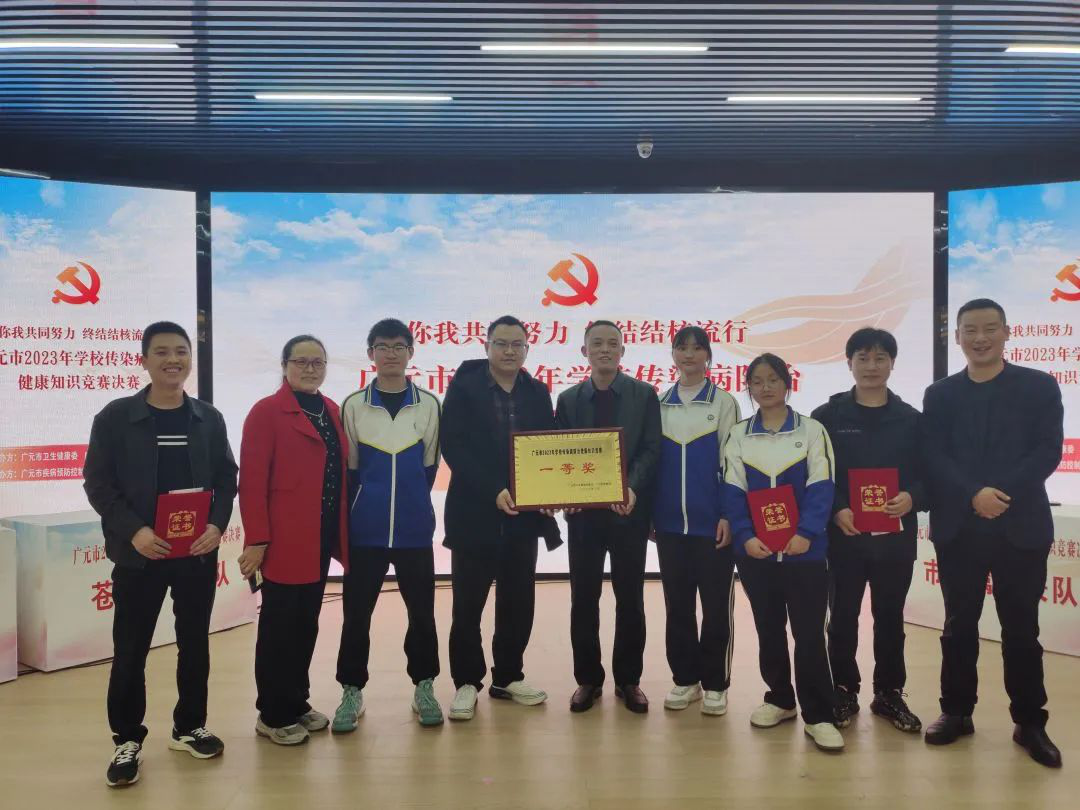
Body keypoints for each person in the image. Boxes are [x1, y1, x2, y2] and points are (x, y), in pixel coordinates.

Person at [83, 321, 238, 788]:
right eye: (162, 352)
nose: (173, 360)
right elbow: (98, 484)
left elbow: (226, 477)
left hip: (195, 553)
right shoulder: (116, 417)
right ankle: (127, 739)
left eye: (181, 352)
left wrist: (216, 525)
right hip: (140, 555)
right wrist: (135, 532)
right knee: (131, 649)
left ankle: (189, 726)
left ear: (191, 358)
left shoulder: (208, 418)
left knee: (195, 643)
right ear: (144, 360)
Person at [921, 299, 1064, 768]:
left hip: (1020, 524)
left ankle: (1030, 722)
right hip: (960, 528)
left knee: (1021, 628)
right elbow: (934, 456)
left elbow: (1047, 451)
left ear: (1006, 332)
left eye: (989, 328)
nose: (979, 338)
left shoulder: (1038, 386)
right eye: (970, 330)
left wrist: (997, 493)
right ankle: (956, 712)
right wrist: (972, 495)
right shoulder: (940, 394)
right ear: (957, 337)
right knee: (958, 625)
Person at [442, 315, 562, 721]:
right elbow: (454, 446)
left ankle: (508, 676)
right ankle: (466, 682)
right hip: (474, 511)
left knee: (517, 601)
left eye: (517, 344)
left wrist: (548, 492)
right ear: (487, 346)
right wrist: (493, 489)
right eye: (501, 343)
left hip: (522, 517)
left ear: (527, 349)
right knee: (468, 604)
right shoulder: (464, 386)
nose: (509, 351)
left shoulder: (537, 391)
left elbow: (546, 447)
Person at [722, 353, 843, 751]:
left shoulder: (812, 431)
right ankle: (780, 699)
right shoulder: (739, 434)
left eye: (773, 379)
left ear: (787, 383)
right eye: (757, 381)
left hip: (805, 553)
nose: (766, 387)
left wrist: (807, 533)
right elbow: (732, 490)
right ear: (749, 388)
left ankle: (819, 714)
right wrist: (744, 536)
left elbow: (822, 486)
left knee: (809, 634)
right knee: (769, 628)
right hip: (756, 555)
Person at [811, 327, 925, 733]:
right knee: (842, 616)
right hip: (845, 536)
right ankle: (843, 689)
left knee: (890, 616)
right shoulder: (827, 417)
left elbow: (929, 475)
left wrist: (912, 497)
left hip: (895, 538)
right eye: (863, 358)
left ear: (892, 363)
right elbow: (817, 473)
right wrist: (837, 507)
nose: (871, 366)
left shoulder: (912, 420)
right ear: (849, 363)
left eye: (880, 358)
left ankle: (889, 693)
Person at [237, 335, 349, 746]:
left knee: (305, 623)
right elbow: (251, 482)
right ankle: (272, 713)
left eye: (318, 362)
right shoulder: (266, 412)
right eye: (301, 361)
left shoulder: (331, 409)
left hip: (319, 536)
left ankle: (296, 701)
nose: (310, 369)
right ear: (284, 365)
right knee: (279, 627)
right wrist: (257, 539)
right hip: (283, 538)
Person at [332, 319, 443, 730]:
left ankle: (424, 686)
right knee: (356, 615)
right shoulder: (353, 405)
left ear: (411, 352)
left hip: (415, 530)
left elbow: (429, 466)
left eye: (399, 346)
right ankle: (351, 691)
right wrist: (365, 506)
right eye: (383, 346)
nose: (391, 353)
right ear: (371, 354)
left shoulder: (429, 404)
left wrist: (412, 502)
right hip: (366, 530)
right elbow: (351, 470)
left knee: (422, 614)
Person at [555, 320, 661, 714]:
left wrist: (630, 487)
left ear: (622, 351)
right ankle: (588, 679)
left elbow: (651, 448)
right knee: (583, 598)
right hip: (584, 517)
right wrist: (565, 494)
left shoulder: (643, 394)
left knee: (630, 598)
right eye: (597, 343)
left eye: (612, 344)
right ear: (584, 352)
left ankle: (629, 680)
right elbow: (561, 452)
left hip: (628, 512)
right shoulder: (568, 399)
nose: (605, 349)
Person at [652, 325, 741, 716]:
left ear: (708, 355)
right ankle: (685, 679)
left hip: (713, 527)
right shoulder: (659, 403)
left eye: (696, 348)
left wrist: (728, 515)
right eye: (681, 348)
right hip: (670, 526)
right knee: (678, 606)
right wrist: (652, 516)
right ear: (673, 354)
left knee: (717, 607)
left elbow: (733, 464)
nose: (689, 354)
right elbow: (652, 464)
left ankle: (716, 683)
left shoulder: (723, 403)